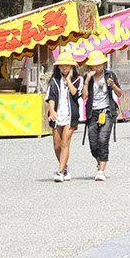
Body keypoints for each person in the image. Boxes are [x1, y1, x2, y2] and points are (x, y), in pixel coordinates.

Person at [80, 51, 122, 182]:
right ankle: (99, 160)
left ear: (104, 64)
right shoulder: (87, 77)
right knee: (93, 142)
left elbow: (119, 93)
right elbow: (84, 96)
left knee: (103, 139)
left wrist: (113, 85)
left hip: (107, 111)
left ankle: (101, 170)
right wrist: (87, 81)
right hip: (92, 113)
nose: (97, 68)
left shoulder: (110, 75)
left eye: (99, 65)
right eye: (94, 65)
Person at [45, 51, 81, 182]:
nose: (65, 68)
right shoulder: (54, 81)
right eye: (63, 66)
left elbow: (76, 94)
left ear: (72, 67)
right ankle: (64, 167)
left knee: (65, 142)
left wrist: (69, 80)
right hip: (57, 114)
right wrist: (52, 111)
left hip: (71, 115)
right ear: (58, 67)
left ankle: (60, 172)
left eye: (68, 65)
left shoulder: (78, 79)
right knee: (56, 145)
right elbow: (51, 96)